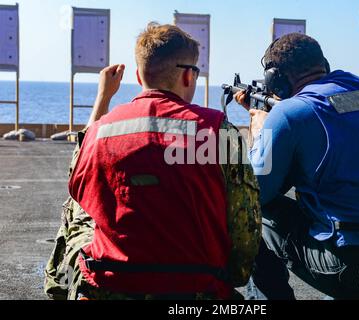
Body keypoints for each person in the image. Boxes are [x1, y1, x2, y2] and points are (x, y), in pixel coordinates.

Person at [44, 22, 262, 300]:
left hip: (113, 287)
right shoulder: (218, 130)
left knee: (76, 208)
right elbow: (246, 222)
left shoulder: (101, 132)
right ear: (188, 76)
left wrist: (103, 98)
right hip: (198, 290)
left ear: (138, 75)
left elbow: (77, 180)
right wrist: (232, 276)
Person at [235, 33, 359, 300]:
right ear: (324, 65)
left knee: (254, 214)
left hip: (356, 265)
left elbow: (257, 191)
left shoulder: (289, 113)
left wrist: (261, 133)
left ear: (275, 79)